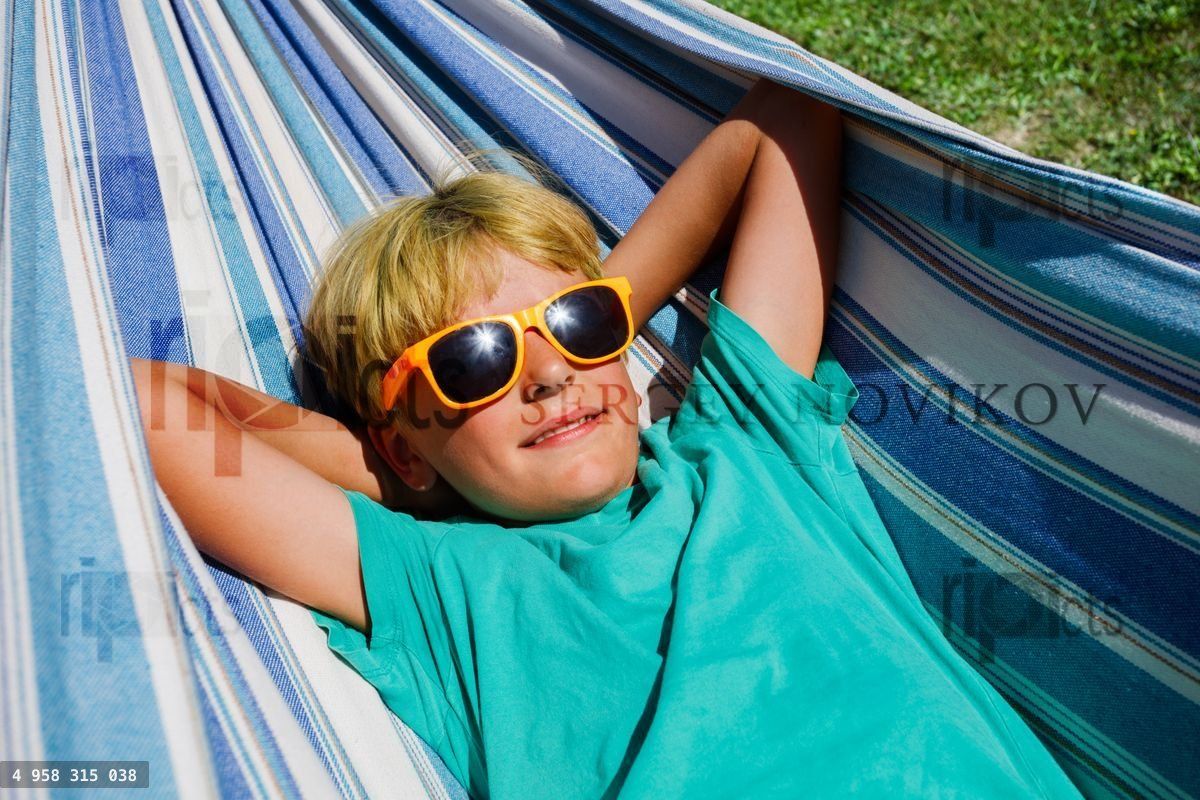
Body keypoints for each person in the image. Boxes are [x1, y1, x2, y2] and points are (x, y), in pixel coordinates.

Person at [130, 78, 1082, 799]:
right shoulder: (442, 586)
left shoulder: (748, 447)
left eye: (580, 325)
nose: (547, 375)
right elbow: (145, 400)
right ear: (406, 447)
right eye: (473, 363)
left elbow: (784, 121)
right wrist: (403, 463)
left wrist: (580, 329)